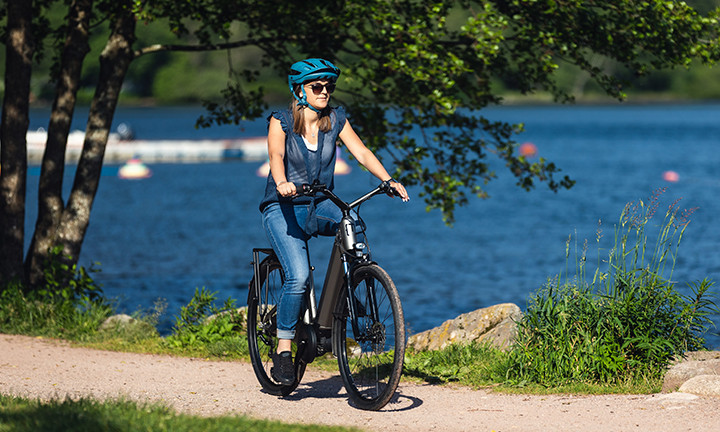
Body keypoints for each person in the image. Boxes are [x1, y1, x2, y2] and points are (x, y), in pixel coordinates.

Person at [259, 58, 409, 385]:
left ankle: (352, 283)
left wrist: (388, 180)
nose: (325, 92)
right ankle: (284, 350)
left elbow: (363, 152)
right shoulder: (281, 121)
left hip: (319, 204)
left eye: (329, 87)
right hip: (283, 208)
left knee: (352, 221)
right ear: (300, 91)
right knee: (297, 278)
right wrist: (282, 182)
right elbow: (276, 157)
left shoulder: (335, 120)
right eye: (317, 87)